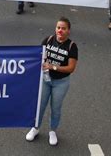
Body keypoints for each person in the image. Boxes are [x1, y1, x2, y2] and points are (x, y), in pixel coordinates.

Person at [25, 17, 78, 146]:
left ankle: (52, 131)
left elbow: (71, 68)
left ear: (68, 31)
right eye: (58, 28)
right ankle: (35, 128)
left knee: (56, 108)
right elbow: (38, 56)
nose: (60, 30)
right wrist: (42, 62)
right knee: (40, 105)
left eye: (63, 28)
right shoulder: (48, 40)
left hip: (61, 83)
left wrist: (53, 67)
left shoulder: (72, 46)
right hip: (45, 79)